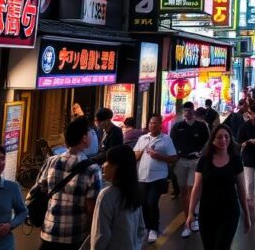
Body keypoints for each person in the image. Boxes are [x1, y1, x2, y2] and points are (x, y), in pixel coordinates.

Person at [31, 116, 103, 250]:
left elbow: (39, 189)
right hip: (75, 235)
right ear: (84, 139)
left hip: (49, 231)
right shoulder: (92, 170)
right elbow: (92, 209)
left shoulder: (51, 161)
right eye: (89, 133)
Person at [187, 125, 252, 250]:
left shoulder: (236, 159)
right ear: (213, 140)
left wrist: (247, 214)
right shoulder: (204, 160)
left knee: (222, 246)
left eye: (226, 137)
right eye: (219, 137)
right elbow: (196, 188)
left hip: (229, 212)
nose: (223, 140)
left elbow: (241, 189)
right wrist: (191, 213)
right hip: (207, 211)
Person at [84, 145, 146, 250]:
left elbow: (100, 236)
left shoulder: (106, 196)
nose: (103, 165)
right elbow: (141, 229)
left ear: (116, 167)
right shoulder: (134, 192)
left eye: (107, 161)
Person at [133, 114, 178, 244]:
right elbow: (135, 154)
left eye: (155, 123)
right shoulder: (142, 138)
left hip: (158, 177)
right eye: (150, 123)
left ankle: (154, 228)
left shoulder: (166, 140)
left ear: (160, 125)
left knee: (152, 202)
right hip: (142, 177)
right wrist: (140, 152)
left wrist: (159, 156)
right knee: (143, 203)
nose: (152, 125)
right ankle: (147, 226)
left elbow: (173, 158)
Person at [171, 101, 210, 238]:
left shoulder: (201, 126)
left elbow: (207, 141)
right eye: (185, 111)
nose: (187, 113)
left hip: (195, 162)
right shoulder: (177, 126)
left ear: (193, 111)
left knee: (191, 189)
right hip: (181, 161)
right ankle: (188, 217)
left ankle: (192, 218)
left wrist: (201, 153)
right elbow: (173, 142)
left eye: (189, 110)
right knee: (183, 192)